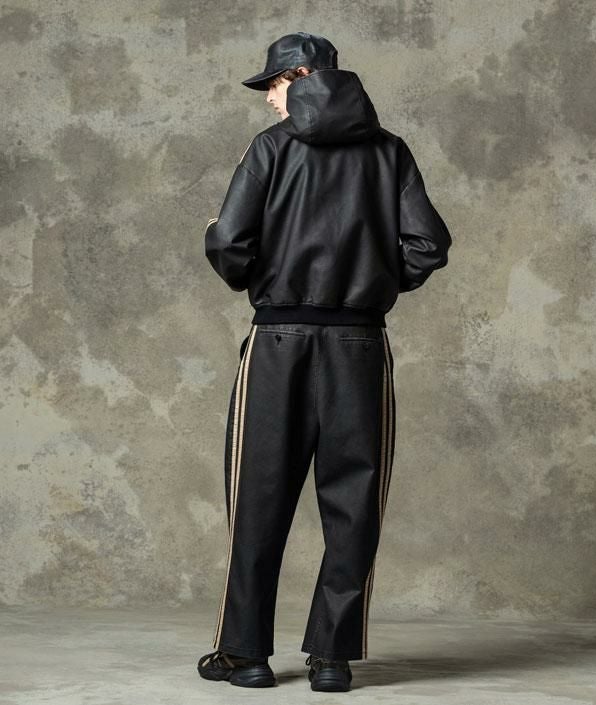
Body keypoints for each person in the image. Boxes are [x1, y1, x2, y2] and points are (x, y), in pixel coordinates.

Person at [199, 31, 453, 692]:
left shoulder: (270, 150)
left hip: (278, 342)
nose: (269, 99)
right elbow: (427, 243)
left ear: (304, 75)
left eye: (275, 84)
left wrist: (261, 277)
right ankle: (332, 658)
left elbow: (228, 242)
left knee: (257, 496)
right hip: (359, 345)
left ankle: (245, 654)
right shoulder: (389, 152)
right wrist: (374, 282)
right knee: (353, 502)